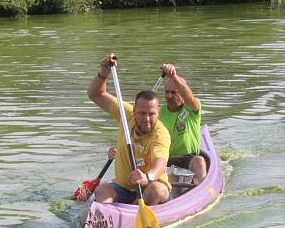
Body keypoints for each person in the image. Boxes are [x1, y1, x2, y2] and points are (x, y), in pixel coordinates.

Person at [87, 53, 171, 205]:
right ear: (134, 111)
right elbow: (95, 94)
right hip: (123, 187)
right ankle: (107, 219)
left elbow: (161, 163)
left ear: (158, 112)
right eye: (142, 113)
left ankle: (136, 212)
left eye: (151, 114)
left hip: (151, 186)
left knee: (156, 191)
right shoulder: (126, 114)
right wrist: (103, 73)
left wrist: (148, 177)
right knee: (101, 191)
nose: (146, 119)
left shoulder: (161, 133)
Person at [159, 63, 206, 185]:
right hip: (166, 158)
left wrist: (174, 77)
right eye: (167, 92)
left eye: (174, 92)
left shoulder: (192, 108)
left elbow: (189, 97)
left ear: (182, 93)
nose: (169, 96)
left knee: (199, 161)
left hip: (188, 159)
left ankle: (199, 188)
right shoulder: (158, 112)